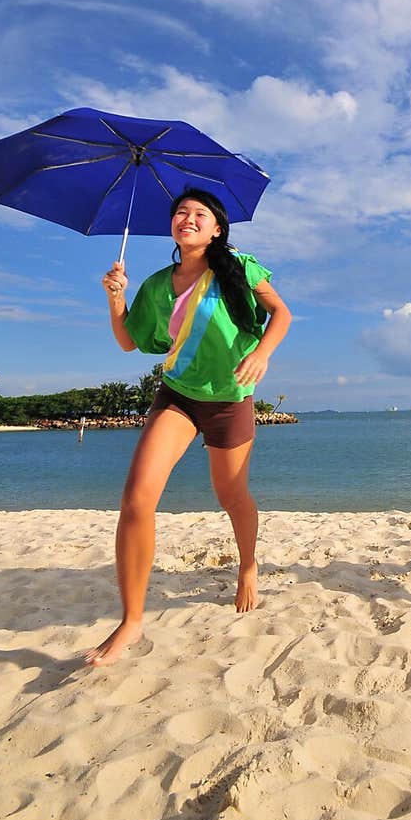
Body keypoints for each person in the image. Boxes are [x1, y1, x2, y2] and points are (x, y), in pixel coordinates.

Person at [86, 186, 292, 666]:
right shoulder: (158, 285)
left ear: (217, 228)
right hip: (178, 396)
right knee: (136, 500)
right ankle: (132, 620)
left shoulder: (239, 267)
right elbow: (129, 343)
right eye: (181, 212)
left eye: (200, 213)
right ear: (172, 227)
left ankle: (248, 565)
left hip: (229, 401)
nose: (188, 218)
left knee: (231, 496)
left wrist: (262, 354)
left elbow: (281, 313)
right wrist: (115, 299)